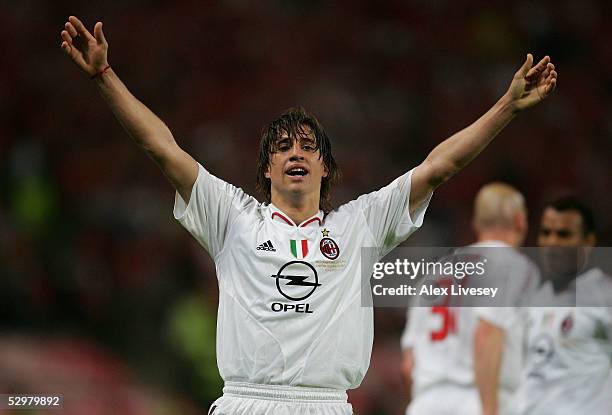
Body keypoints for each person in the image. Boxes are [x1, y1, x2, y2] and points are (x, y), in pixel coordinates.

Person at [60, 15, 557, 415]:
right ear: (267, 168)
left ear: (326, 166)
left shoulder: (361, 224)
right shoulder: (231, 217)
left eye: (307, 146)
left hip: (326, 406)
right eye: (281, 147)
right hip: (246, 403)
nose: (294, 153)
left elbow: (439, 166)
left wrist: (507, 108)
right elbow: (160, 147)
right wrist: (105, 77)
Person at [400, 183, 539, 415]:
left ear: (476, 223)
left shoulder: (434, 273)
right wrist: (489, 410)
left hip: (424, 403)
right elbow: (487, 333)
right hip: (480, 400)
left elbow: (408, 366)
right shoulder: (512, 266)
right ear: (520, 221)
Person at [519, 197, 612, 415]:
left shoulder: (604, 297)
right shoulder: (536, 299)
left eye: (564, 235)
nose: (552, 243)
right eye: (546, 233)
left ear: (588, 241)